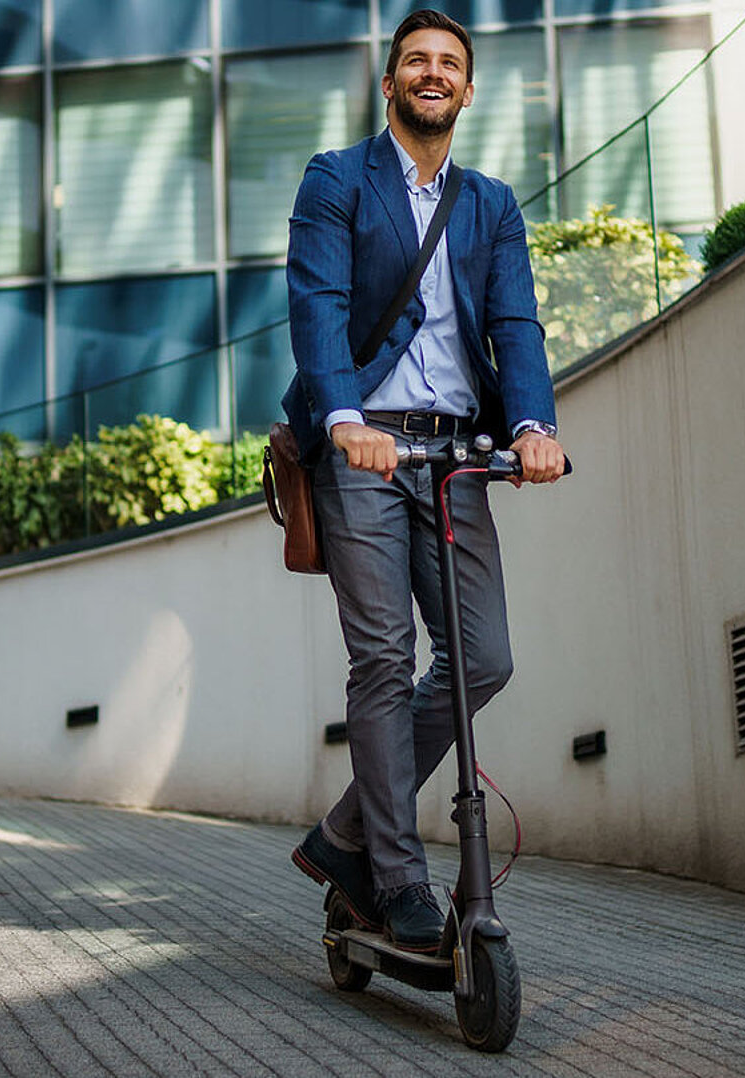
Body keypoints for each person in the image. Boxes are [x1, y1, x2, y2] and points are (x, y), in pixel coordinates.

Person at [281, 9, 567, 954]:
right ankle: (397, 880)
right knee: (383, 659)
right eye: (416, 62)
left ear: (469, 89)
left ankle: (346, 836)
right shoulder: (337, 180)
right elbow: (317, 309)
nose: (433, 73)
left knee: (483, 658)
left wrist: (530, 428)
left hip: (453, 456)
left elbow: (515, 330)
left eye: (449, 63)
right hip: (363, 451)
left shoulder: (489, 203)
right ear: (390, 81)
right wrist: (344, 422)